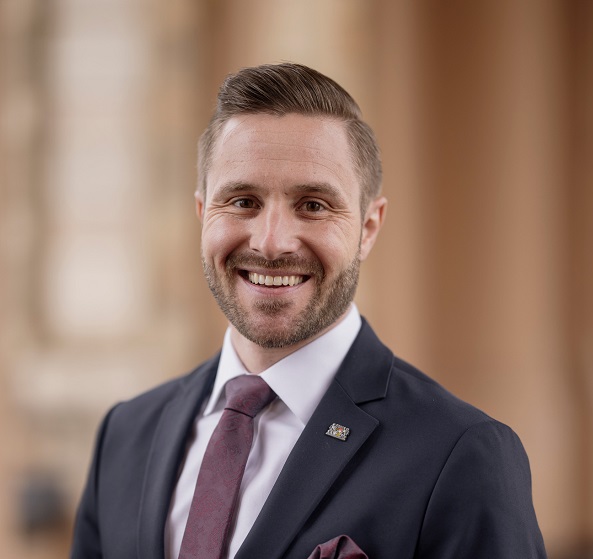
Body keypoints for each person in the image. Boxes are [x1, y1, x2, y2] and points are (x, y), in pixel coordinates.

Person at [71, 63, 547, 559]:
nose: (271, 242)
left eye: (313, 205)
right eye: (242, 201)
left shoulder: (461, 454)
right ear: (202, 214)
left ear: (368, 227)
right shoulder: (125, 436)